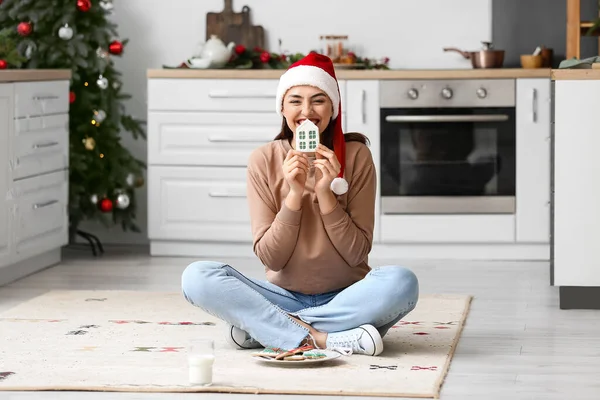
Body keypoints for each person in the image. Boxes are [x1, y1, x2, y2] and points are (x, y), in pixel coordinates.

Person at [181, 52, 419, 356]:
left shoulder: (357, 156)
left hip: (346, 297)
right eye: (295, 100)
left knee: (402, 283)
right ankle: (324, 339)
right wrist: (293, 196)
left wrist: (325, 194)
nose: (307, 111)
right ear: (282, 108)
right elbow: (272, 258)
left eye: (318, 100)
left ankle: (269, 329)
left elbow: (357, 253)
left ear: (333, 108)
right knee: (197, 277)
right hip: (281, 295)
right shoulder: (263, 159)